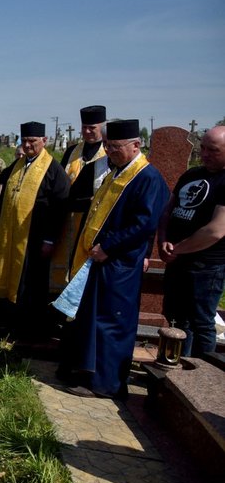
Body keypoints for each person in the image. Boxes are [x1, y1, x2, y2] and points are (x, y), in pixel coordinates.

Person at [59, 120, 168, 398]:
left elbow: (143, 224)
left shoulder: (147, 177)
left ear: (136, 144)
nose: (110, 151)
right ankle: (87, 373)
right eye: (107, 146)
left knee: (112, 322)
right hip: (100, 260)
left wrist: (108, 246)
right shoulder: (117, 171)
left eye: (116, 147)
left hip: (119, 263)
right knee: (94, 318)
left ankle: (106, 384)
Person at [0, 122, 70, 340]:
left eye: (32, 141)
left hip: (35, 239)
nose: (27, 145)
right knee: (6, 275)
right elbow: (1, 185)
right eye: (24, 141)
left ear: (44, 141)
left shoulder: (54, 170)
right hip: (10, 235)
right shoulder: (18, 164)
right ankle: (2, 324)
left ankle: (24, 330)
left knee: (29, 283)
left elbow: (60, 208)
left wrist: (50, 240)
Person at [158, 125, 225, 357]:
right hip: (177, 261)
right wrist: (164, 240)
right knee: (176, 318)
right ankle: (176, 366)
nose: (205, 154)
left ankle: (200, 375)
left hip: (206, 266)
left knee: (201, 322)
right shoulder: (191, 175)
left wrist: (178, 248)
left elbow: (215, 231)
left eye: (213, 150)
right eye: (203, 148)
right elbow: (168, 211)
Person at [49, 106, 108, 293]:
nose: (88, 132)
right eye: (85, 127)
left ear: (102, 127)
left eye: (93, 128)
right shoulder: (72, 151)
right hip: (67, 217)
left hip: (91, 220)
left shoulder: (108, 154)